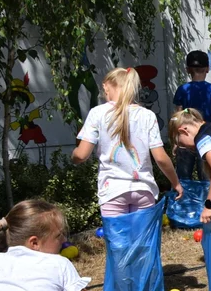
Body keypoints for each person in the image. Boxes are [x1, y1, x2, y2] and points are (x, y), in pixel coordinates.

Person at [73, 67, 183, 216]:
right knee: (143, 239)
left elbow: (81, 155)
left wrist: (74, 155)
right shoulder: (148, 115)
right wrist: (175, 182)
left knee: (118, 239)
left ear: (106, 86)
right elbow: (161, 158)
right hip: (143, 189)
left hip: (112, 191)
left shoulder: (97, 113)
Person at [173, 50, 211, 180]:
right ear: (207, 69)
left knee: (183, 177)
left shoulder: (183, 89)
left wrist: (175, 140)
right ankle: (207, 200)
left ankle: (184, 200)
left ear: (187, 70)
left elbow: (177, 116)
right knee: (207, 177)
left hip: (185, 137)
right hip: (207, 138)